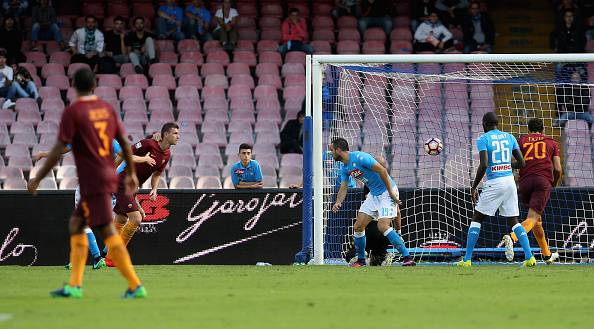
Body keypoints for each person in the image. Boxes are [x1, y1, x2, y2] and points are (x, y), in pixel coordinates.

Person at [26, 68, 146, 298]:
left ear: (73, 86)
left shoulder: (74, 112)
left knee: (98, 229)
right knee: (80, 225)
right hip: (106, 178)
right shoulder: (107, 110)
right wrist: (130, 173)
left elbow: (61, 148)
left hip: (93, 179)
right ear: (94, 86)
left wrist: (38, 177)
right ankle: (77, 285)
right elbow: (123, 144)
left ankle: (133, 285)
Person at [456, 112, 535, 268]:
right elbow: (522, 163)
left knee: (477, 218)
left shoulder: (483, 139)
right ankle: (530, 257)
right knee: (514, 221)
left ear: (485, 124)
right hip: (510, 182)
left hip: (495, 182)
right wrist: (506, 164)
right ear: (497, 124)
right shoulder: (510, 137)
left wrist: (474, 186)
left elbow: (484, 164)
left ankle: (467, 259)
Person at [330, 138, 415, 267]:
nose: (331, 153)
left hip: (387, 192)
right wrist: (338, 202)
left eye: (332, 150)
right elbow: (343, 187)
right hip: (373, 195)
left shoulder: (360, 157)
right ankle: (361, 260)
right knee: (358, 226)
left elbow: (383, 171)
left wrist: (391, 192)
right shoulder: (345, 168)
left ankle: (407, 258)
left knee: (382, 226)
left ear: (338, 150)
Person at [105, 122, 179, 267]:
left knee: (121, 218)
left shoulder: (167, 154)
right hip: (123, 182)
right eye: (175, 133)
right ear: (165, 134)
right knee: (137, 218)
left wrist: (154, 188)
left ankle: (108, 257)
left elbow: (157, 174)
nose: (178, 136)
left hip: (133, 187)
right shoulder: (148, 144)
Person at [500, 118, 562, 264]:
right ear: (543, 130)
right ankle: (512, 237)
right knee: (533, 218)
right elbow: (558, 169)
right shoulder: (551, 142)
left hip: (525, 182)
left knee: (536, 220)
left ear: (528, 130)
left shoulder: (521, 141)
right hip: (542, 181)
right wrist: (553, 183)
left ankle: (547, 255)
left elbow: (513, 162)